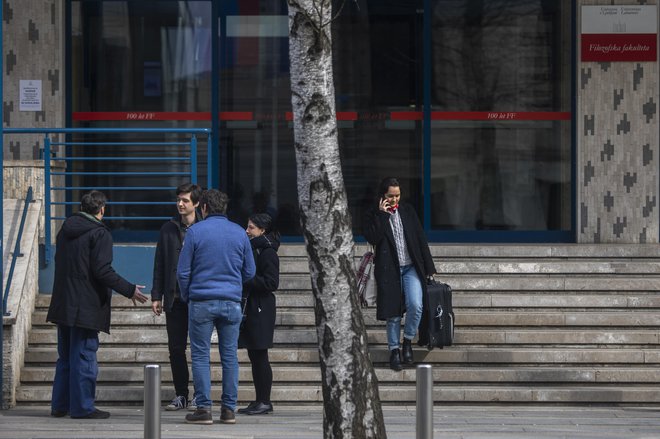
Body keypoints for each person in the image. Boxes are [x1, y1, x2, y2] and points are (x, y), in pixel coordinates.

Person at [47, 190, 148, 419]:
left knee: (65, 357)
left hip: (64, 302)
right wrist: (129, 290)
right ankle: (82, 407)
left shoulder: (65, 230)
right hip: (85, 306)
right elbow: (102, 270)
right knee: (83, 356)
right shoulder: (99, 234)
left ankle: (60, 405)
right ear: (102, 209)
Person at [177, 189, 256, 425]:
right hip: (231, 302)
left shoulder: (195, 232)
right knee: (229, 356)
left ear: (203, 208)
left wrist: (187, 295)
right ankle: (229, 409)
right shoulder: (239, 233)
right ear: (225, 208)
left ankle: (203, 409)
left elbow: (183, 272)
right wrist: (233, 285)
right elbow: (250, 271)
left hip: (201, 300)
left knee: (201, 356)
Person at [363, 177, 436, 371]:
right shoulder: (374, 213)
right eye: (390, 196)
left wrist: (429, 268)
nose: (395, 200)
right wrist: (382, 215)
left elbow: (420, 238)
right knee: (393, 314)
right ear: (382, 196)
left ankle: (408, 341)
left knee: (416, 305)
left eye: (397, 195)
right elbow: (372, 237)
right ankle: (394, 350)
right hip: (389, 269)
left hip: (411, 267)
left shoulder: (408, 211)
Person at [151, 183, 202, 411]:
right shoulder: (168, 229)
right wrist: (156, 295)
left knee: (200, 349)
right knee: (175, 349)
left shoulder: (204, 228)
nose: (181, 204)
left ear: (197, 204)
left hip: (199, 298)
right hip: (175, 298)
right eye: (179, 200)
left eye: (185, 200)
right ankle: (181, 394)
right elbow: (160, 263)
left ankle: (201, 395)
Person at [237, 213, 280, 415]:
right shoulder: (255, 249)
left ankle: (264, 400)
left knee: (260, 355)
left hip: (261, 308)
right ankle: (259, 400)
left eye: (251, 227)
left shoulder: (268, 252)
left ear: (262, 231)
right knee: (255, 355)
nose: (247, 231)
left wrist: (247, 279)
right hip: (254, 306)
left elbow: (272, 283)